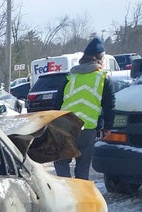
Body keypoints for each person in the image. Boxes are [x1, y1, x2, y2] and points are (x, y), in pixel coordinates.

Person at [53, 37, 116, 180]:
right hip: (87, 130)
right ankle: (80, 197)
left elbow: (57, 102)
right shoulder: (103, 78)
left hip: (65, 126)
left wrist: (54, 124)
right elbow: (109, 105)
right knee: (82, 167)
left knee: (61, 162)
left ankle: (66, 192)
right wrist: (107, 127)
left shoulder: (70, 76)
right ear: (99, 59)